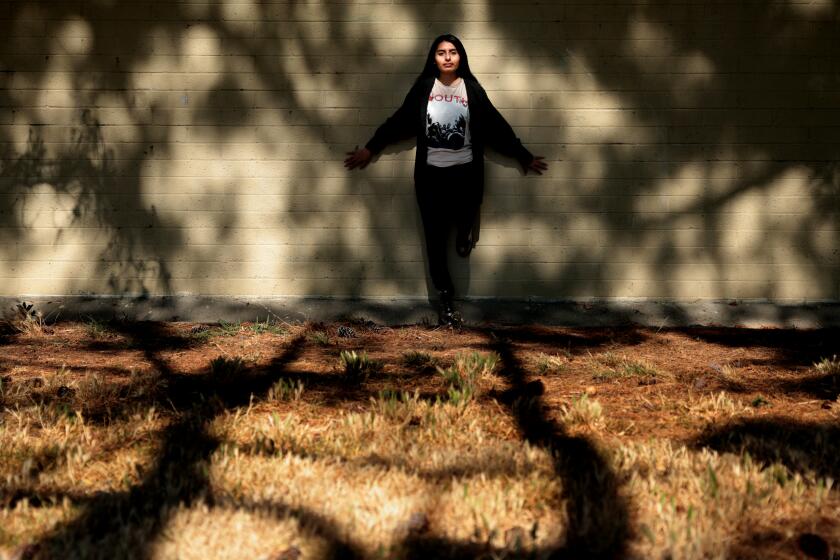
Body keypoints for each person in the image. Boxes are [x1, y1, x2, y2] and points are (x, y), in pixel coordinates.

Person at [345, 34, 547, 326]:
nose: (448, 57)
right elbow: (399, 121)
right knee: (435, 239)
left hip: (465, 174)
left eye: (453, 52)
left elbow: (495, 125)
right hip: (431, 177)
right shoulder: (424, 89)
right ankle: (446, 300)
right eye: (442, 52)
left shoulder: (472, 90)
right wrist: (371, 147)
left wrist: (523, 155)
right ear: (434, 58)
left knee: (464, 218)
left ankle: (466, 229)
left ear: (461, 56)